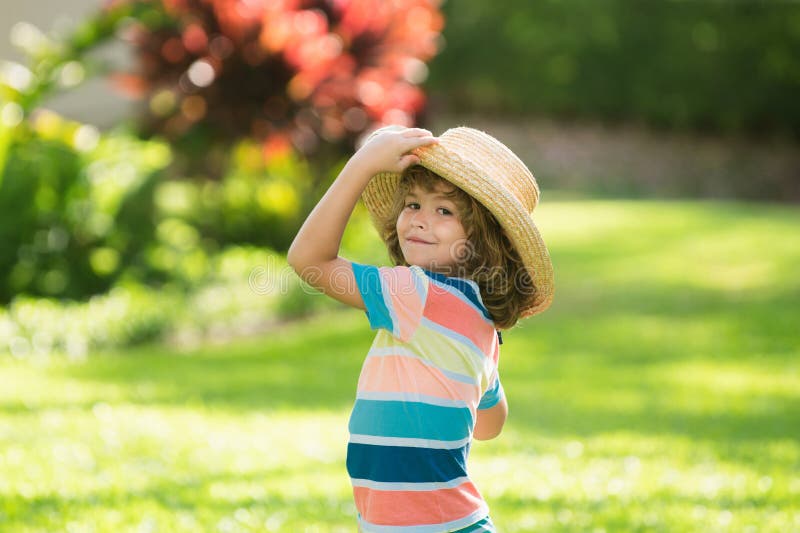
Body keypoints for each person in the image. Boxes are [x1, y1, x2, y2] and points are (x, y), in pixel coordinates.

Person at [287, 125, 554, 532]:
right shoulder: (482, 321)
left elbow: (308, 259)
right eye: (412, 204)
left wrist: (361, 165)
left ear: (482, 240)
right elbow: (489, 424)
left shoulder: (415, 292)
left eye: (444, 211)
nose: (419, 221)